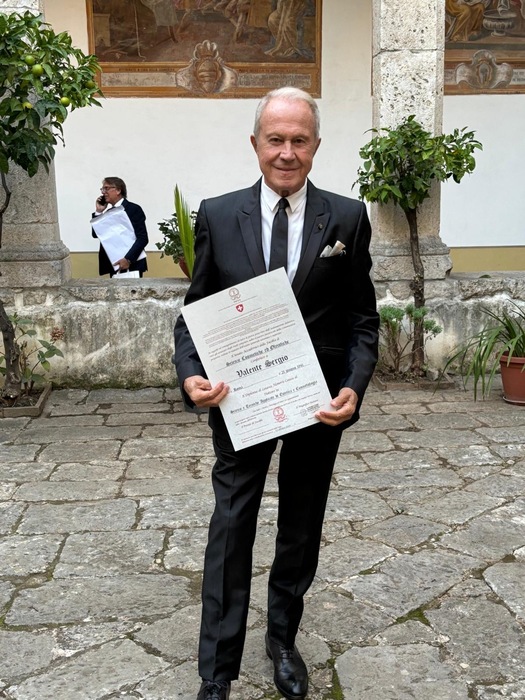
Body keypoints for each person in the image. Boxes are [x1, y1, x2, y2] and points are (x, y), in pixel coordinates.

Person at [173, 86, 379, 700]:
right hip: (239, 401)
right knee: (231, 528)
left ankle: (282, 640)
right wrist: (190, 376)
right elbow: (193, 317)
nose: (286, 153)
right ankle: (217, 670)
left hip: (317, 403)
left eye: (299, 140)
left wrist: (354, 388)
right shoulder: (216, 213)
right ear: (256, 144)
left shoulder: (346, 218)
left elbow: (363, 320)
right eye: (275, 140)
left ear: (315, 145)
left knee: (300, 524)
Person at [92, 177, 149, 277]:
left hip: (132, 264)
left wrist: (128, 259)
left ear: (118, 190)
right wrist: (99, 212)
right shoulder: (108, 212)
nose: (103, 192)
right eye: (102, 189)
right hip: (114, 264)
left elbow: (142, 238)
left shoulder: (134, 209)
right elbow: (96, 234)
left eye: (106, 188)